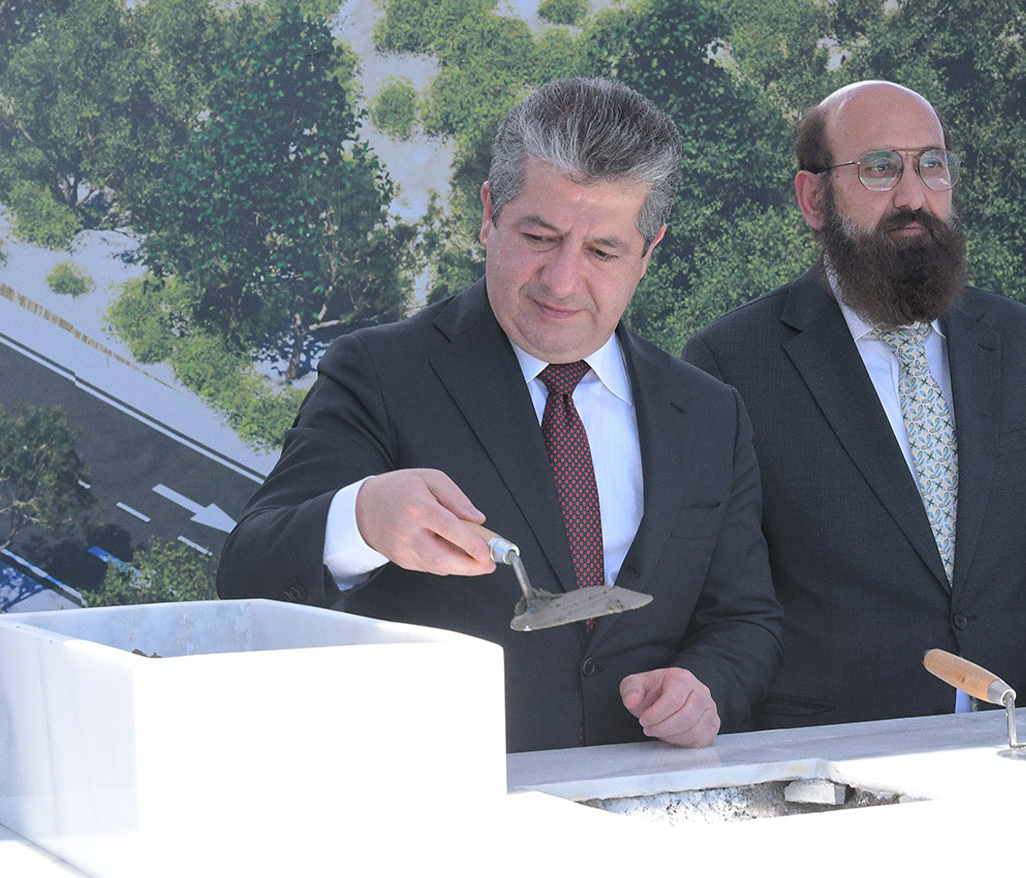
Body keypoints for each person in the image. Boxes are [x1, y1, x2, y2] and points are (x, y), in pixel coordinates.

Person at [217, 78, 782, 753]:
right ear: (489, 213)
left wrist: (705, 685)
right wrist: (363, 517)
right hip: (437, 816)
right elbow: (248, 572)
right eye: (539, 236)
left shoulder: (712, 415)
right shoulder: (379, 372)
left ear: (650, 251)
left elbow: (745, 618)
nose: (563, 281)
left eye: (603, 251)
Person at [683, 80, 1026, 729]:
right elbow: (726, 597)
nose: (913, 196)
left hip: (1025, 731)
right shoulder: (732, 363)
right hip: (838, 752)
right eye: (879, 168)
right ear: (813, 198)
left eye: (932, 164)